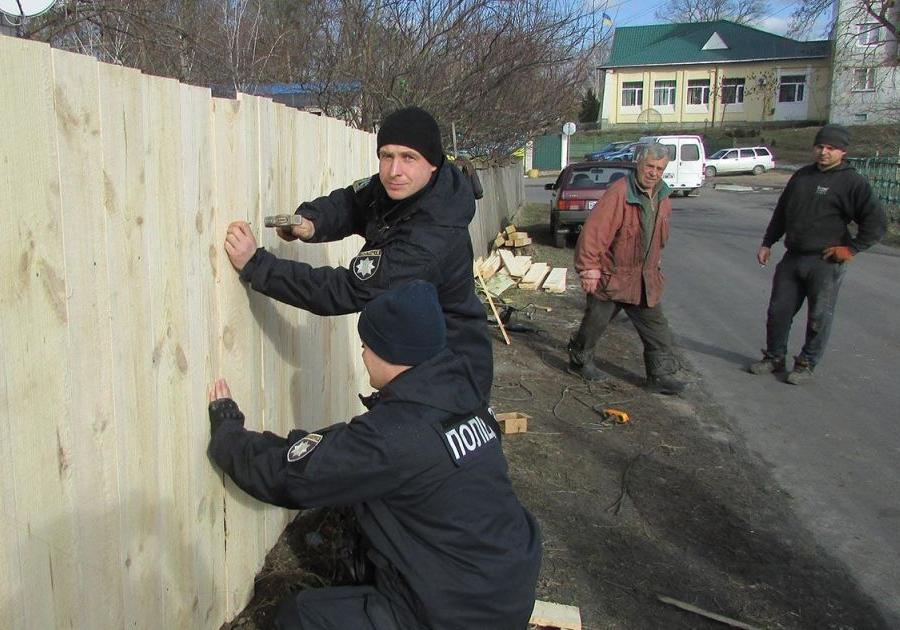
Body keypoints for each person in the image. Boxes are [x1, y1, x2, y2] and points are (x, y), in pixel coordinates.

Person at [207, 281, 542, 630]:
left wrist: (229, 434)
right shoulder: (461, 394)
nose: (363, 355)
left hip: (458, 613)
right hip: (504, 584)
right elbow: (340, 451)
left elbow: (291, 477)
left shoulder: (397, 435)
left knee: (300, 617)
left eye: (366, 346)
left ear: (392, 353)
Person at [223, 106, 493, 405]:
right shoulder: (406, 188)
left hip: (449, 374)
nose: (394, 170)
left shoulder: (430, 239)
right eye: (386, 155)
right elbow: (353, 203)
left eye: (408, 157)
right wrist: (312, 221)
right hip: (414, 359)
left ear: (432, 163)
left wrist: (256, 265)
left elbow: (343, 291)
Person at [749, 124, 886, 385]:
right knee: (779, 311)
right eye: (820, 146)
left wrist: (852, 248)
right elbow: (782, 213)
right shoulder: (802, 177)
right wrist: (768, 242)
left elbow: (876, 223)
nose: (824, 152)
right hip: (794, 256)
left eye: (830, 148)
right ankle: (775, 357)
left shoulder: (852, 182)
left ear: (842, 152)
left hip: (826, 261)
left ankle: (806, 362)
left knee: (819, 316)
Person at [567, 143, 686, 395]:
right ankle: (579, 361)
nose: (654, 173)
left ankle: (660, 375)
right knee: (595, 323)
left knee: (657, 329)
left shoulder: (662, 196)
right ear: (638, 165)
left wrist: (656, 262)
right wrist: (589, 269)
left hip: (645, 279)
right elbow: (594, 232)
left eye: (660, 168)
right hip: (613, 276)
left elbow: (659, 236)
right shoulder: (620, 193)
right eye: (650, 167)